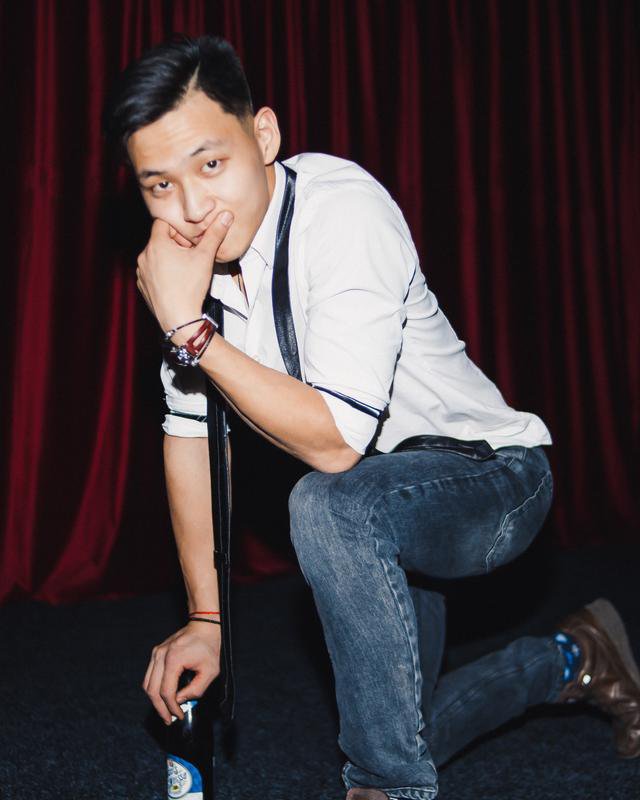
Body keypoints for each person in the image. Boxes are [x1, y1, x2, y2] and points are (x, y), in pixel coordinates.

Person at [104, 35, 640, 799]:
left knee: (327, 507)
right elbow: (192, 439)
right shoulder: (184, 269)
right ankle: (573, 657)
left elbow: (334, 446)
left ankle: (384, 789)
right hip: (376, 511)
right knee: (405, 728)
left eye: (211, 164)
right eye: (160, 185)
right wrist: (206, 617)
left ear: (263, 135)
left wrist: (192, 332)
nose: (191, 209)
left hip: (491, 481)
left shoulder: (341, 209)